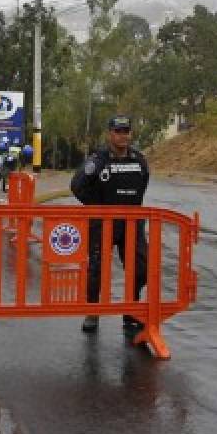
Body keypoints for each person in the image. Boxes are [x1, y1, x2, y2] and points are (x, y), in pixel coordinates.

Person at [71, 115, 150, 333]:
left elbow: (142, 184)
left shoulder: (139, 160)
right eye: (118, 131)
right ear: (110, 134)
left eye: (126, 131)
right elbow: (77, 186)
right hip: (102, 224)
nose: (123, 136)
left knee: (141, 269)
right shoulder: (98, 160)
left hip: (132, 223)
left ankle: (131, 310)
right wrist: (97, 208)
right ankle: (92, 312)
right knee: (97, 268)